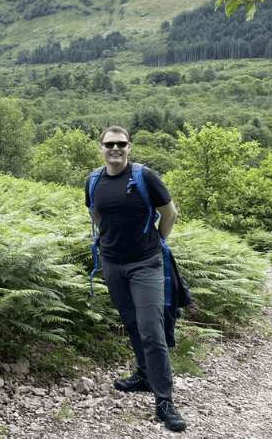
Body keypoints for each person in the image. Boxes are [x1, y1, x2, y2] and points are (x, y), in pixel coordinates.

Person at [84, 125, 186, 432]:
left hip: (146, 264)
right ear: (100, 147)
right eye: (109, 144)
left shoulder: (144, 177)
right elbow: (96, 214)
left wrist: (157, 240)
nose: (115, 149)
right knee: (131, 322)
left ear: (130, 146)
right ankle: (143, 375)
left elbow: (170, 213)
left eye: (121, 144)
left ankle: (164, 401)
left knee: (151, 329)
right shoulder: (93, 181)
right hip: (112, 264)